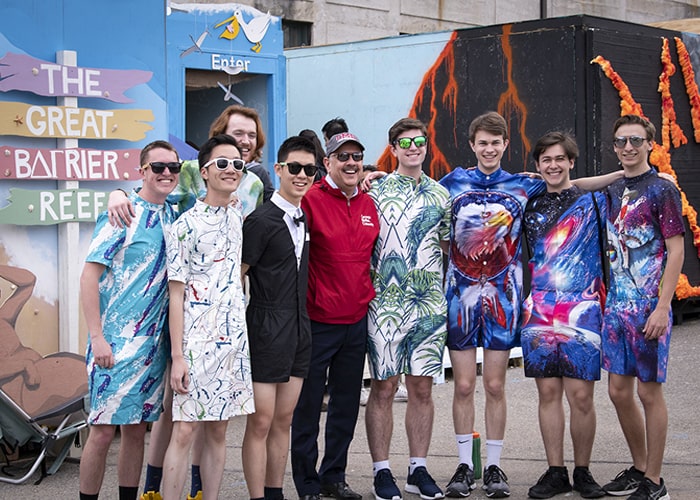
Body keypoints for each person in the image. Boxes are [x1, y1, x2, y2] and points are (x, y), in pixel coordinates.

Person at [438, 111, 622, 499]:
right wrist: (377, 177)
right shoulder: (451, 183)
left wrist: (623, 175)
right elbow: (420, 194)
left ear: (506, 145)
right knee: (465, 385)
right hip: (461, 299)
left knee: (494, 384)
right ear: (472, 146)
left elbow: (572, 184)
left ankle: (493, 466)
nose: (489, 148)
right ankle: (463, 466)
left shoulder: (523, 185)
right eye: (482, 142)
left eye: (496, 142)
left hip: (505, 300)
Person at [78, 140, 180, 500]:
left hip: (153, 347)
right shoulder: (122, 213)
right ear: (142, 172)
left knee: (137, 431)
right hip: (114, 344)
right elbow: (89, 276)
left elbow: (217, 172)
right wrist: (97, 337)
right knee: (103, 431)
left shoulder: (175, 214)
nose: (166, 173)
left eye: (173, 167)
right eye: (157, 167)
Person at [160, 134, 254, 500]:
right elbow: (176, 292)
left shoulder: (236, 217)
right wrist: (178, 356)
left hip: (234, 342)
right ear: (204, 171)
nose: (231, 169)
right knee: (184, 431)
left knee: (219, 431)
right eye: (223, 163)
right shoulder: (184, 225)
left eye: (238, 163)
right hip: (195, 343)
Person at [365, 117, 451, 500]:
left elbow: (450, 249)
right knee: (384, 388)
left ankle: (419, 468)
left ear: (426, 145)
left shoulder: (441, 195)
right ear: (393, 148)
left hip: (429, 304)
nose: (413, 147)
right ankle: (382, 472)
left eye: (419, 141)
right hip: (384, 303)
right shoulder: (375, 191)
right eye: (405, 142)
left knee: (422, 389)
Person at [291, 132, 379, 500]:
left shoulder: (370, 205)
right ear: (327, 163)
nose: (350, 163)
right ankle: (307, 483)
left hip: (355, 321)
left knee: (345, 407)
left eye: (356, 157)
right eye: (342, 157)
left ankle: (334, 477)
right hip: (317, 321)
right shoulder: (309, 200)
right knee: (308, 408)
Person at [600, 115, 684, 500]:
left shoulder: (661, 190)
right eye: (621, 142)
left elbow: (676, 250)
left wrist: (663, 307)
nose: (628, 147)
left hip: (650, 307)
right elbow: (576, 184)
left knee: (650, 394)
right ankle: (638, 467)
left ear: (650, 143)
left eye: (635, 140)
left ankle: (655, 480)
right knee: (619, 392)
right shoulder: (614, 188)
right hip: (617, 308)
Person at [520, 132, 607, 499]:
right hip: (539, 308)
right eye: (546, 160)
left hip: (581, 310)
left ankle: (583, 472)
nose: (553, 165)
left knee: (581, 397)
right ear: (538, 166)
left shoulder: (594, 201)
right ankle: (555, 471)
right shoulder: (527, 200)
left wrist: (623, 174)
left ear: (572, 162)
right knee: (549, 393)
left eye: (560, 159)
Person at [241, 136, 316, 500]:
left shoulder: (306, 217)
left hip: (300, 328)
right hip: (265, 327)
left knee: (284, 420)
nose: (302, 175)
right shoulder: (259, 221)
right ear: (279, 169)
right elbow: (237, 275)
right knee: (261, 421)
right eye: (295, 168)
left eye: (309, 170)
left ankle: (275, 493)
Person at [209, 104, 275, 202]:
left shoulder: (258, 175)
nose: (246, 141)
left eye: (252, 135)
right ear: (220, 135)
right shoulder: (195, 173)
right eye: (238, 134)